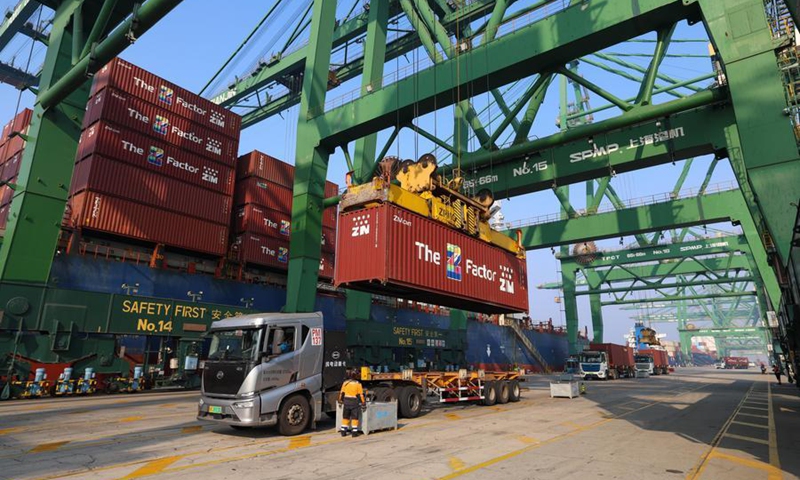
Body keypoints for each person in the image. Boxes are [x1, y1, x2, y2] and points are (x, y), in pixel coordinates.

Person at [338, 370, 366, 437]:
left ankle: (343, 431)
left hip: (346, 402)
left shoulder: (345, 383)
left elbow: (342, 393)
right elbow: (360, 395)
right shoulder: (358, 384)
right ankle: (354, 432)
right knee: (354, 418)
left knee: (345, 417)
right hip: (354, 403)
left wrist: (340, 401)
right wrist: (363, 403)